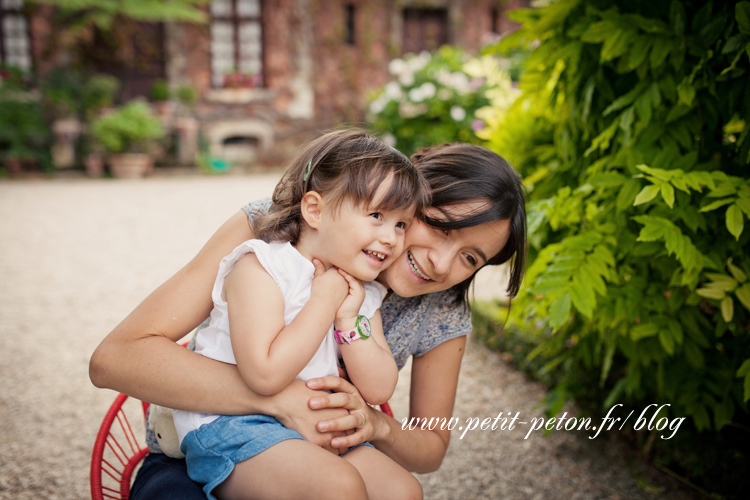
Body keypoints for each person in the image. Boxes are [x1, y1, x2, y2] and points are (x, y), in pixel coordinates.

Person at [89, 138, 527, 500]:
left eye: (470, 258)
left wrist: (376, 424)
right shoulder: (281, 230)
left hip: (320, 446)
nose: (440, 263)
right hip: (212, 440)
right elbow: (114, 359)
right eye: (439, 227)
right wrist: (279, 400)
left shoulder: (434, 308)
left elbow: (430, 447)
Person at [169, 129, 427, 500]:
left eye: (400, 224)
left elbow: (378, 388)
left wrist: (348, 320)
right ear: (315, 210)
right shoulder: (262, 267)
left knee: (403, 490)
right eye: (376, 215)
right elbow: (264, 373)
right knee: (337, 486)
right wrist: (323, 301)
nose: (391, 238)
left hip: (312, 424)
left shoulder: (362, 290)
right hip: (233, 423)